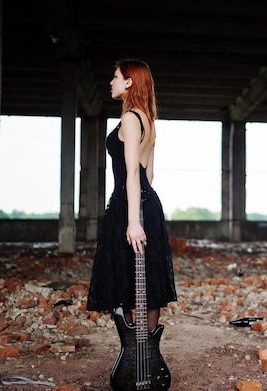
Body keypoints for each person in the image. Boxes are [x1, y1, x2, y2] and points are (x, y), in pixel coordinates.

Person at [87, 58, 177, 332]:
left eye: (115, 77)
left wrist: (133, 221)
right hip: (148, 204)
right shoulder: (148, 120)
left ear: (129, 82)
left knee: (123, 275)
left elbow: (134, 174)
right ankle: (146, 354)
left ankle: (134, 353)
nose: (111, 82)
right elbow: (149, 175)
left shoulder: (129, 119)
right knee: (147, 277)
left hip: (129, 205)